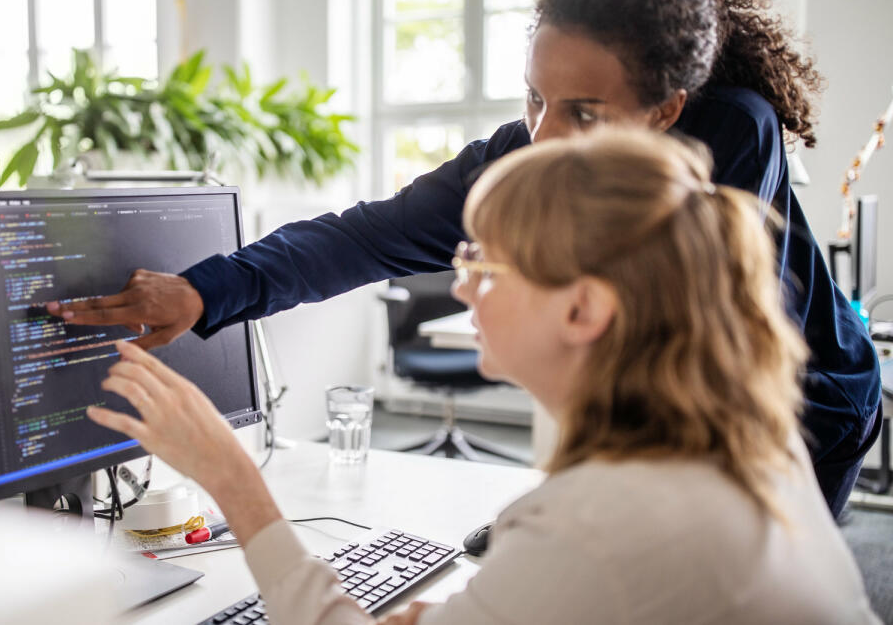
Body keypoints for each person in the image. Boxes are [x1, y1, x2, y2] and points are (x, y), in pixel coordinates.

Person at [47, 0, 881, 517]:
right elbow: (367, 235)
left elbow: (685, 335)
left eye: (584, 112)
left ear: (665, 108)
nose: (546, 136)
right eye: (534, 99)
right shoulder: (526, 153)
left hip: (809, 405)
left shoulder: (731, 129)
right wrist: (206, 289)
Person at [85, 128, 879, 624]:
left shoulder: (599, 524)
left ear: (583, 310)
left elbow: (599, 559)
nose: (461, 285)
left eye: (485, 263)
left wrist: (227, 472)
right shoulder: (744, 443)